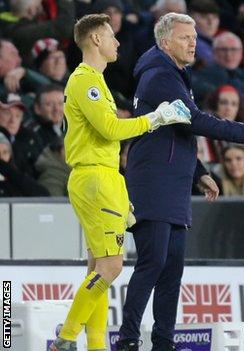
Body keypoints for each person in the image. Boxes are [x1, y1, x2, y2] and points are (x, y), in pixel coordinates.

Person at [116, 13, 244, 351]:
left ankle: (163, 342)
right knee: (153, 262)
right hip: (153, 183)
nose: (193, 42)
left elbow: (174, 132)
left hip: (172, 182)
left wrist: (199, 172)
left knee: (171, 270)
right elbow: (194, 121)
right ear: (165, 42)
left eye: (193, 36)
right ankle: (128, 339)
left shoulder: (174, 73)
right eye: (185, 37)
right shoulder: (159, 75)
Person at [48, 13, 192, 351]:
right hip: (96, 178)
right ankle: (66, 339)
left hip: (100, 177)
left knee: (98, 269)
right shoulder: (86, 81)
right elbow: (111, 129)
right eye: (111, 36)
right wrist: (155, 118)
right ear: (96, 39)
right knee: (111, 267)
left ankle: (95, 344)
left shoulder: (93, 81)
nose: (116, 42)